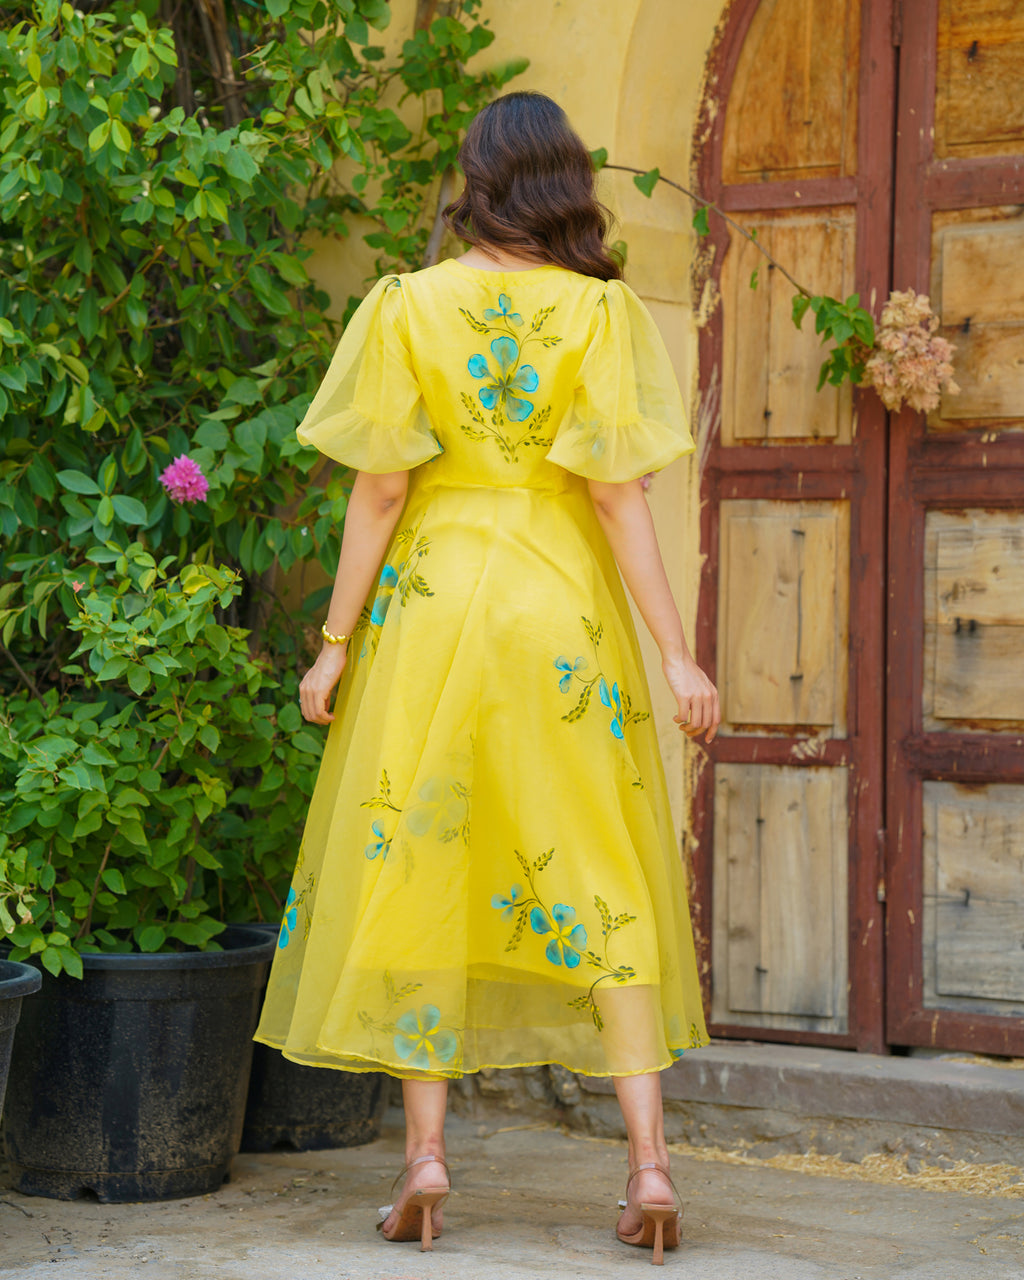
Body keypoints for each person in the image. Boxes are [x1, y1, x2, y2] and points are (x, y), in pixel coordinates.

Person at [253, 90, 719, 1265]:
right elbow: (621, 498)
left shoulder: (407, 304)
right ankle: (650, 1163)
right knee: (600, 863)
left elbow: (381, 489)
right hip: (559, 609)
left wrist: (334, 639)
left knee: (422, 855)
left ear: (474, 179)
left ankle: (423, 1155)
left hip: (435, 606)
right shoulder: (604, 314)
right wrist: (676, 652)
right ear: (565, 182)